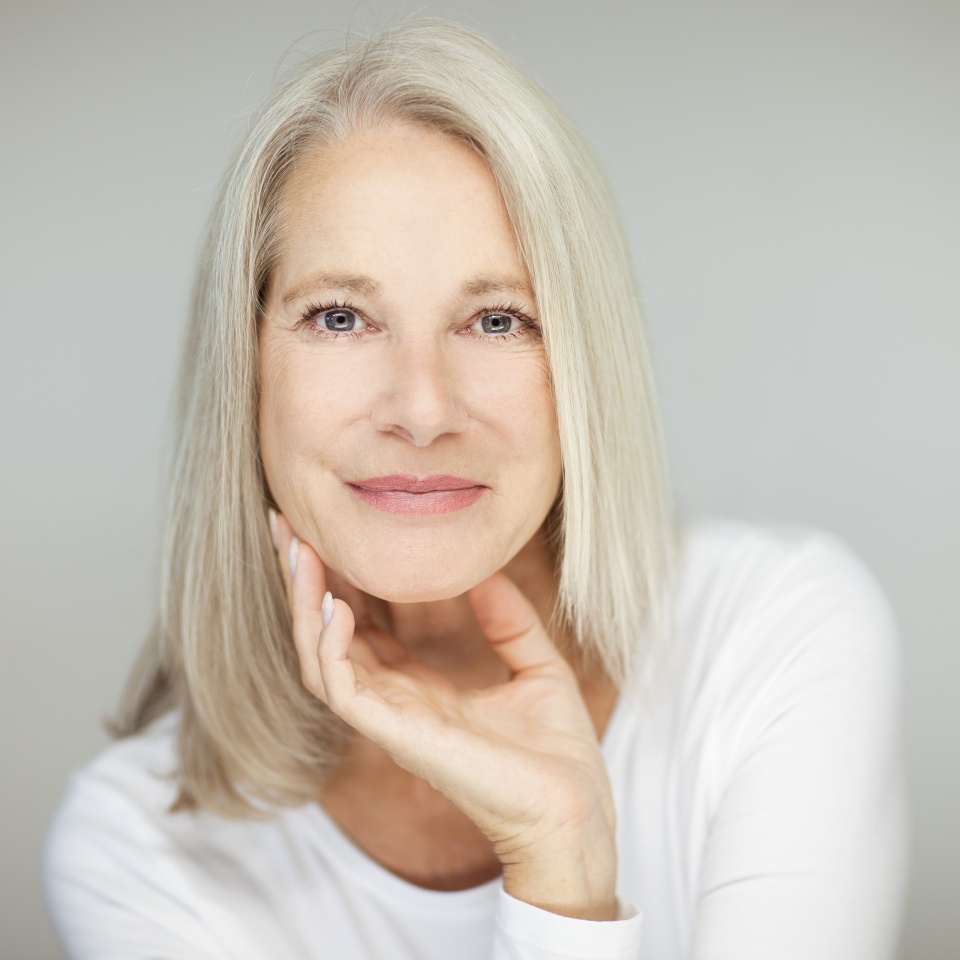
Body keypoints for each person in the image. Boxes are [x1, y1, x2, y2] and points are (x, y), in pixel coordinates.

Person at [43, 18, 907, 960]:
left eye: (497, 320)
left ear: (583, 365)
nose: (422, 410)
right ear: (245, 369)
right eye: (341, 317)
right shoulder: (136, 851)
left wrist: (560, 859)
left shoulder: (773, 636)